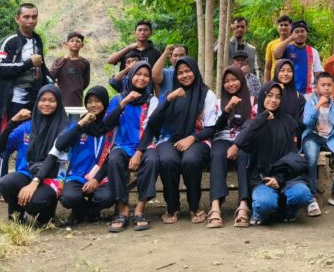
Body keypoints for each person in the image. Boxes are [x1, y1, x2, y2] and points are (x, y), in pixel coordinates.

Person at [139, 56, 219, 225]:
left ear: (195, 72)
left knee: (191, 160)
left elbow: (211, 128)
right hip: (169, 138)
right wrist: (168, 99)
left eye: (188, 71)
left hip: (198, 139)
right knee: (168, 160)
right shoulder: (169, 93)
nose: (184, 75)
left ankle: (194, 206)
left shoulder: (206, 94)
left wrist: (192, 138)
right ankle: (172, 207)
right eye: (180, 73)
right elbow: (153, 122)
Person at [0, 3, 51, 197]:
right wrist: (27, 63)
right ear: (17, 19)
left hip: (33, 101)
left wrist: (51, 82)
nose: (31, 20)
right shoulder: (10, 41)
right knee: (3, 140)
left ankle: (25, 182)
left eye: (34, 16)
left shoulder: (38, 40)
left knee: (31, 140)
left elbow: (41, 66)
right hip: (11, 101)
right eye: (26, 17)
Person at [234, 81, 313, 225]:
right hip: (262, 177)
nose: (274, 100)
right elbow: (240, 142)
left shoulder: (289, 122)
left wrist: (279, 178)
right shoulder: (253, 123)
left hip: (287, 176)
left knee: (302, 195)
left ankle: (288, 212)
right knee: (265, 203)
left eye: (278, 97)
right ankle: (261, 213)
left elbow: (293, 156)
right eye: (269, 95)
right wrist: (261, 119)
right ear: (262, 97)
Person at [0, 84, 68, 226]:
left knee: (36, 203)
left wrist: (34, 184)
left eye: (51, 100)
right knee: (6, 183)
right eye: (42, 100)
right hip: (26, 173)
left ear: (58, 103)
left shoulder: (65, 128)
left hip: (52, 177)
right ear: (37, 102)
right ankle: (16, 216)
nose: (46, 104)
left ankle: (46, 217)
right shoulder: (27, 127)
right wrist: (13, 121)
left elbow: (54, 159)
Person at [102, 62, 159, 232]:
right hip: (122, 144)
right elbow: (107, 123)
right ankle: (123, 209)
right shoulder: (117, 99)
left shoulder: (152, 100)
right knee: (114, 160)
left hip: (145, 144)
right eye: (138, 74)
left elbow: (151, 129)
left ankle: (140, 209)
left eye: (146, 75)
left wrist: (139, 153)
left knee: (153, 160)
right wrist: (125, 101)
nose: (142, 78)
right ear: (130, 75)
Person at [55, 86, 115, 224]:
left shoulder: (111, 127)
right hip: (78, 175)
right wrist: (81, 123)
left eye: (97, 101)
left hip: (102, 177)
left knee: (107, 197)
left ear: (105, 102)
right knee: (68, 198)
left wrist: (96, 179)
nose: (93, 105)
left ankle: (90, 211)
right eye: (89, 101)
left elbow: (111, 156)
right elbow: (60, 144)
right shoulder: (79, 125)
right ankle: (84, 211)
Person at [207, 66, 255, 228]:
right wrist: (226, 110)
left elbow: (251, 127)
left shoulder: (252, 101)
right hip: (222, 139)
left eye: (234, 79)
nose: (230, 84)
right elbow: (216, 128)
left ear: (241, 80)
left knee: (243, 156)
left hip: (244, 141)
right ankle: (215, 206)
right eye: (226, 81)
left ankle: (243, 204)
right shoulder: (218, 102)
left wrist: (236, 145)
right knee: (217, 154)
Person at [302, 72, 334, 216]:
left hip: (330, 138)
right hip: (312, 136)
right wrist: (318, 105)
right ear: (316, 88)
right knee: (311, 159)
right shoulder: (310, 102)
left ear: (333, 87)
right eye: (323, 85)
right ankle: (311, 198)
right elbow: (307, 123)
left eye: (329, 85)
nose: (326, 88)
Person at [272, 20, 322, 95]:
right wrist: (290, 38)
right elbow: (276, 54)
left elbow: (317, 72)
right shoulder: (287, 49)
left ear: (306, 33)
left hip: (308, 93)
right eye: (297, 32)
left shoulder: (313, 51)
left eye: (302, 31)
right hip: (289, 91)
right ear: (292, 34)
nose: (300, 34)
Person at [49, 31, 91, 116]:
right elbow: (52, 75)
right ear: (66, 44)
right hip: (60, 98)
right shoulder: (59, 61)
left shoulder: (84, 63)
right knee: (60, 124)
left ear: (82, 45)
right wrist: (64, 59)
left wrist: (76, 88)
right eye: (72, 41)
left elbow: (86, 82)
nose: (75, 43)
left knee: (74, 124)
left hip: (76, 99)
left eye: (78, 41)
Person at [222, 16, 262, 82]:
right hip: (228, 85)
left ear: (246, 29)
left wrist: (257, 87)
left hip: (247, 88)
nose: (240, 29)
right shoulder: (225, 45)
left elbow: (258, 71)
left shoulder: (252, 49)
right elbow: (214, 50)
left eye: (242, 27)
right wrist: (227, 31)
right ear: (232, 28)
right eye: (237, 27)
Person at [265, 15, 292, 81]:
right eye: (281, 25)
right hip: (275, 81)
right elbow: (268, 67)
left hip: (292, 81)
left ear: (291, 27)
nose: (283, 27)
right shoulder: (271, 44)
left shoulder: (295, 43)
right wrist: (266, 85)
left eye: (286, 25)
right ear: (277, 28)